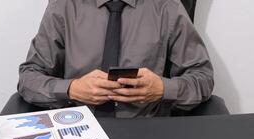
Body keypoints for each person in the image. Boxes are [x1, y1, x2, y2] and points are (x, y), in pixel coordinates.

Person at [18, 0, 214, 118]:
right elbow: (29, 78)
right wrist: (71, 89)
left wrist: (163, 90)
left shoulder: (167, 7)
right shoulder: (64, 6)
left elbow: (203, 77)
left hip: (147, 131)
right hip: (77, 127)